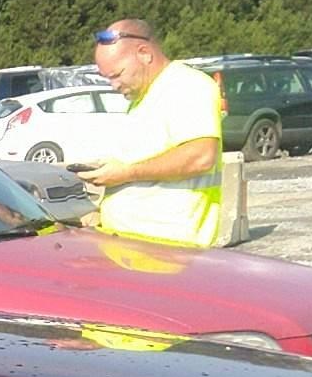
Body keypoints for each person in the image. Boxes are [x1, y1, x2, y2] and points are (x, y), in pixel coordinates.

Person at [78, 19, 224, 249]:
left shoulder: (186, 87)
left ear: (144, 53)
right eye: (108, 78)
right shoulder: (143, 98)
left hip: (169, 250)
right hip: (136, 246)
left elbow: (200, 156)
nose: (113, 85)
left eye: (117, 74)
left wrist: (126, 173)